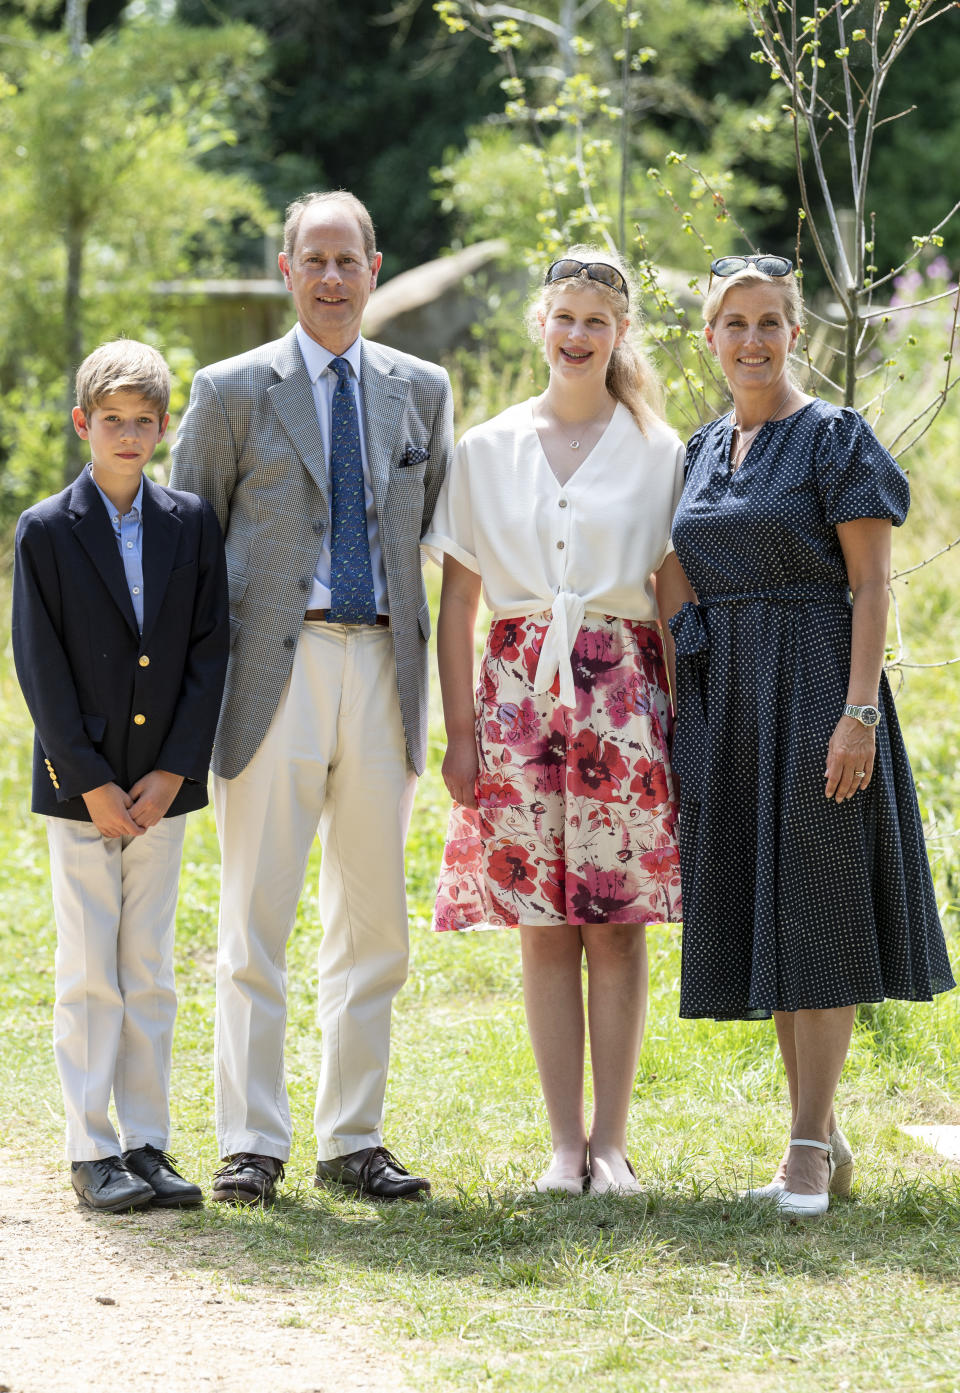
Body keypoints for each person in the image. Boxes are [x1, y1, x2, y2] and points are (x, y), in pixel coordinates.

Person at [169, 190, 453, 1205]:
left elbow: (439, 542)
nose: (332, 277)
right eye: (314, 260)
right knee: (256, 914)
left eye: (349, 259)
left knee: (373, 921)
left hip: (383, 671)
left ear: (376, 268)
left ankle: (353, 1136)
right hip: (270, 677)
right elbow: (184, 547)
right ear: (287, 270)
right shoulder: (231, 390)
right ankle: (250, 1138)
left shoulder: (421, 389)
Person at [669, 253, 955, 1217]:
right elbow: (680, 571)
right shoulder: (703, 447)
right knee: (775, 911)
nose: (753, 340)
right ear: (709, 337)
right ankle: (821, 1133)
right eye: (734, 323)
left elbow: (870, 584)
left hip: (822, 686)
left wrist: (859, 710)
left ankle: (802, 1148)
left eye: (770, 322)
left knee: (820, 904)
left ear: (797, 332)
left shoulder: (834, 437)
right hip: (732, 698)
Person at [424, 249, 691, 1196]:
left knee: (618, 926)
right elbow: (458, 605)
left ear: (620, 337)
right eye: (565, 317)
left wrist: (682, 731)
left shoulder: (661, 451)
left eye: (598, 322)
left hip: (624, 702)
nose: (578, 336)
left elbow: (669, 599)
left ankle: (611, 1141)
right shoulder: (487, 448)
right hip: (517, 703)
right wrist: (459, 733)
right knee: (542, 924)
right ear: (541, 323)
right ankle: (562, 1144)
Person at [12, 339, 229, 1211]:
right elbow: (39, 666)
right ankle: (90, 1145)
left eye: (144, 422)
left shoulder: (189, 522)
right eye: (113, 423)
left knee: (149, 965)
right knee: (89, 968)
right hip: (85, 787)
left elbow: (210, 652)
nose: (129, 436)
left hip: (162, 787)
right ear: (83, 425)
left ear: (165, 426)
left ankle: (147, 1140)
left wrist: (175, 769)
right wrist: (91, 781)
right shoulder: (45, 531)